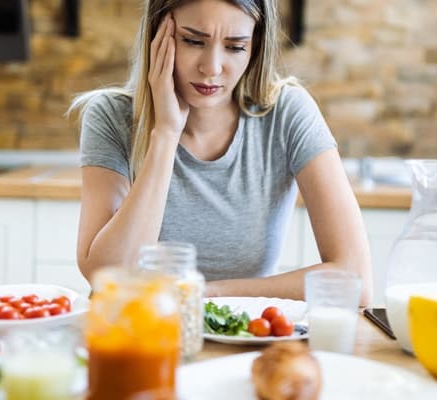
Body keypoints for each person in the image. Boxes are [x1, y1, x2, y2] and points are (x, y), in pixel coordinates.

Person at [68, 0, 372, 305]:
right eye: (193, 41)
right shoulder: (110, 115)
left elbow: (355, 280)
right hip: (136, 329)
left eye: (235, 47)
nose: (212, 68)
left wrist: (203, 294)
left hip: (245, 330)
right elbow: (106, 275)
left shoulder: (288, 113)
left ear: (255, 46)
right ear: (157, 34)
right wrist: (166, 134)